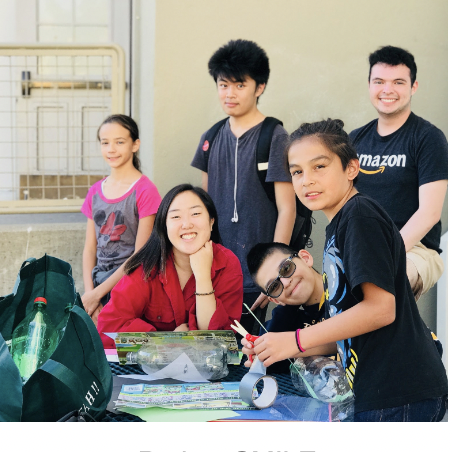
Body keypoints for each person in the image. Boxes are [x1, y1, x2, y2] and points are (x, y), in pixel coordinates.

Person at [242, 119, 447, 422]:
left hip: (399, 394)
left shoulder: (359, 215)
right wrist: (279, 347)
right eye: (297, 171)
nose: (306, 180)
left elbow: (381, 310)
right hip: (378, 394)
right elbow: (350, 334)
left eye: (319, 166)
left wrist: (295, 340)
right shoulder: (341, 224)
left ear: (351, 169)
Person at [191, 39, 296, 334]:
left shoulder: (274, 136)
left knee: (255, 353)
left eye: (239, 85)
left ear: (259, 87)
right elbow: (203, 211)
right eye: (223, 85)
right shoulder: (210, 137)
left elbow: (287, 208)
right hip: (218, 273)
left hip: (260, 275)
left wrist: (277, 272)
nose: (230, 93)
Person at [349, 45, 448, 301]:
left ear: (413, 87)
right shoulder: (354, 140)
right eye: (379, 81)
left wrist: (385, 253)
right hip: (362, 250)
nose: (387, 90)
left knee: (385, 281)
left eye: (399, 82)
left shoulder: (428, 138)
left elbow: (429, 213)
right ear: (369, 85)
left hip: (414, 250)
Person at [97, 184, 243, 349]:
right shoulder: (148, 265)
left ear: (211, 222)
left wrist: (202, 276)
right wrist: (169, 341)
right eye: (176, 217)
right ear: (164, 227)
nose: (186, 224)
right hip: (149, 370)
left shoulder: (227, 264)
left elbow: (218, 341)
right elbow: (108, 328)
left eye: (195, 214)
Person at [81, 114, 161, 325]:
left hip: (129, 287)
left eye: (119, 142)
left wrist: (98, 294)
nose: (111, 149)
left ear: (135, 145)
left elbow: (140, 255)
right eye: (105, 142)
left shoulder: (145, 191)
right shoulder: (95, 191)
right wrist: (91, 294)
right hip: (97, 287)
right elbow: (90, 249)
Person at [246, 242, 326, 373]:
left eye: (286, 268)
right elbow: (271, 364)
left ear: (305, 258)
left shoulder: (346, 294)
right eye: (274, 286)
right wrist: (256, 350)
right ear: (274, 299)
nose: (285, 282)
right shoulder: (292, 320)